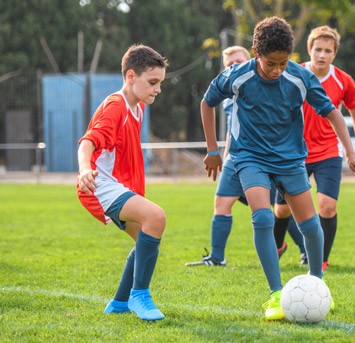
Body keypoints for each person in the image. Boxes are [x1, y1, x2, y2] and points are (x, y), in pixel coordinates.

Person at [200, 17, 355, 321]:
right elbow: (207, 102)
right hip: (249, 157)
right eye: (271, 63)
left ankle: (317, 284)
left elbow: (333, 112)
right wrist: (213, 149)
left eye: (283, 63)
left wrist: (351, 153)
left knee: (309, 225)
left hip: (291, 159)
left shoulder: (301, 77)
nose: (277, 70)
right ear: (256, 52)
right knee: (264, 216)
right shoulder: (236, 75)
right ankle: (276, 294)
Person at [186, 46, 305, 267]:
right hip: (234, 157)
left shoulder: (261, 83)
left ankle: (305, 249)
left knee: (277, 208)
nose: (234, 66)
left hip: (263, 156)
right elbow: (230, 126)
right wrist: (221, 154)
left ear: (251, 58)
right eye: (229, 65)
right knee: (221, 202)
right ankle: (217, 257)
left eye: (238, 61)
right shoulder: (229, 91)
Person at [77, 44, 169, 320]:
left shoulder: (137, 107)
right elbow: (87, 143)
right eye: (152, 82)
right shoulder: (115, 106)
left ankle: (118, 302)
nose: (158, 89)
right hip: (100, 186)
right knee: (156, 217)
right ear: (131, 77)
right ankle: (139, 296)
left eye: (160, 83)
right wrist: (84, 171)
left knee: (146, 239)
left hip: (117, 186)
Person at [272, 26, 355, 272]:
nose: (322, 55)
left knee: (327, 206)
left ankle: (321, 261)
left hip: (328, 153)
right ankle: (279, 245)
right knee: (281, 210)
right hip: (293, 153)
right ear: (309, 50)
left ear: (334, 53)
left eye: (328, 51)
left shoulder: (343, 80)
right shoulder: (292, 72)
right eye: (318, 50)